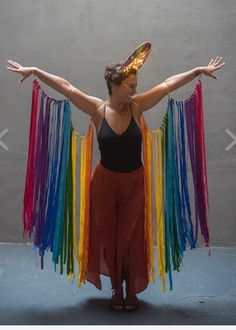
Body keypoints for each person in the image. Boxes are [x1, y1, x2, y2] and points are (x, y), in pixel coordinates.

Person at [6, 53, 224, 311]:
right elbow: (66, 87)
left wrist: (197, 70)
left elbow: (168, 85)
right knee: (109, 236)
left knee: (130, 236)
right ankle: (116, 289)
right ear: (115, 86)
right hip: (104, 184)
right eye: (130, 85)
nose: (135, 89)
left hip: (134, 183)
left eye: (135, 85)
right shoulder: (98, 110)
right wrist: (35, 71)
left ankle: (131, 288)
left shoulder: (138, 107)